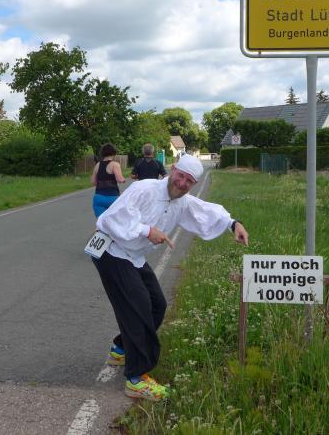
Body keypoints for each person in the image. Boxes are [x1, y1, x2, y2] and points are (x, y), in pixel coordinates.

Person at [90, 154, 249, 401]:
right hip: (112, 252)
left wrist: (233, 224)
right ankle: (136, 378)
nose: (183, 183)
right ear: (173, 169)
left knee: (157, 305)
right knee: (138, 308)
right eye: (181, 176)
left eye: (189, 181)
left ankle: (121, 348)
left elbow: (205, 210)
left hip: (133, 255)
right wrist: (147, 230)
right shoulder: (145, 189)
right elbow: (112, 219)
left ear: (194, 184)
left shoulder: (182, 201)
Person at [90, 143, 126, 218]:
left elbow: (93, 182)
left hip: (99, 197)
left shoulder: (98, 165)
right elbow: (119, 179)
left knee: (101, 222)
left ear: (102, 153)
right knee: (114, 222)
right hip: (112, 198)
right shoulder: (115, 164)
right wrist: (123, 180)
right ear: (114, 152)